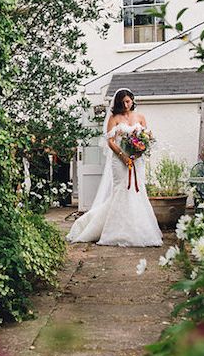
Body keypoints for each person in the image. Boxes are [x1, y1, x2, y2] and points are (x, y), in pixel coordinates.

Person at [67, 88, 163, 247]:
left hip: (137, 161)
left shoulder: (140, 117)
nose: (126, 105)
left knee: (137, 191)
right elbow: (110, 141)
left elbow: (146, 138)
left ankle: (139, 229)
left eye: (128, 101)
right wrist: (123, 157)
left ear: (132, 100)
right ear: (118, 103)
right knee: (122, 190)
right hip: (120, 160)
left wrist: (138, 153)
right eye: (122, 102)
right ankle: (115, 231)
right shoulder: (114, 118)